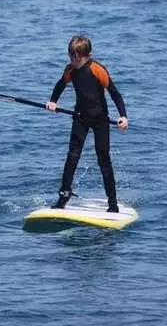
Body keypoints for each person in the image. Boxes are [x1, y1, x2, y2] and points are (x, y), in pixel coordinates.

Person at [45, 36, 129, 212]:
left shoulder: (98, 69)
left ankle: (112, 203)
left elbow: (114, 93)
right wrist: (53, 101)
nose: (73, 61)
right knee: (72, 157)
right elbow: (60, 84)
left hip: (100, 120)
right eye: (71, 57)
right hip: (80, 117)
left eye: (77, 58)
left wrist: (123, 116)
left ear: (87, 55)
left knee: (103, 159)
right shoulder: (70, 70)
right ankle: (63, 197)